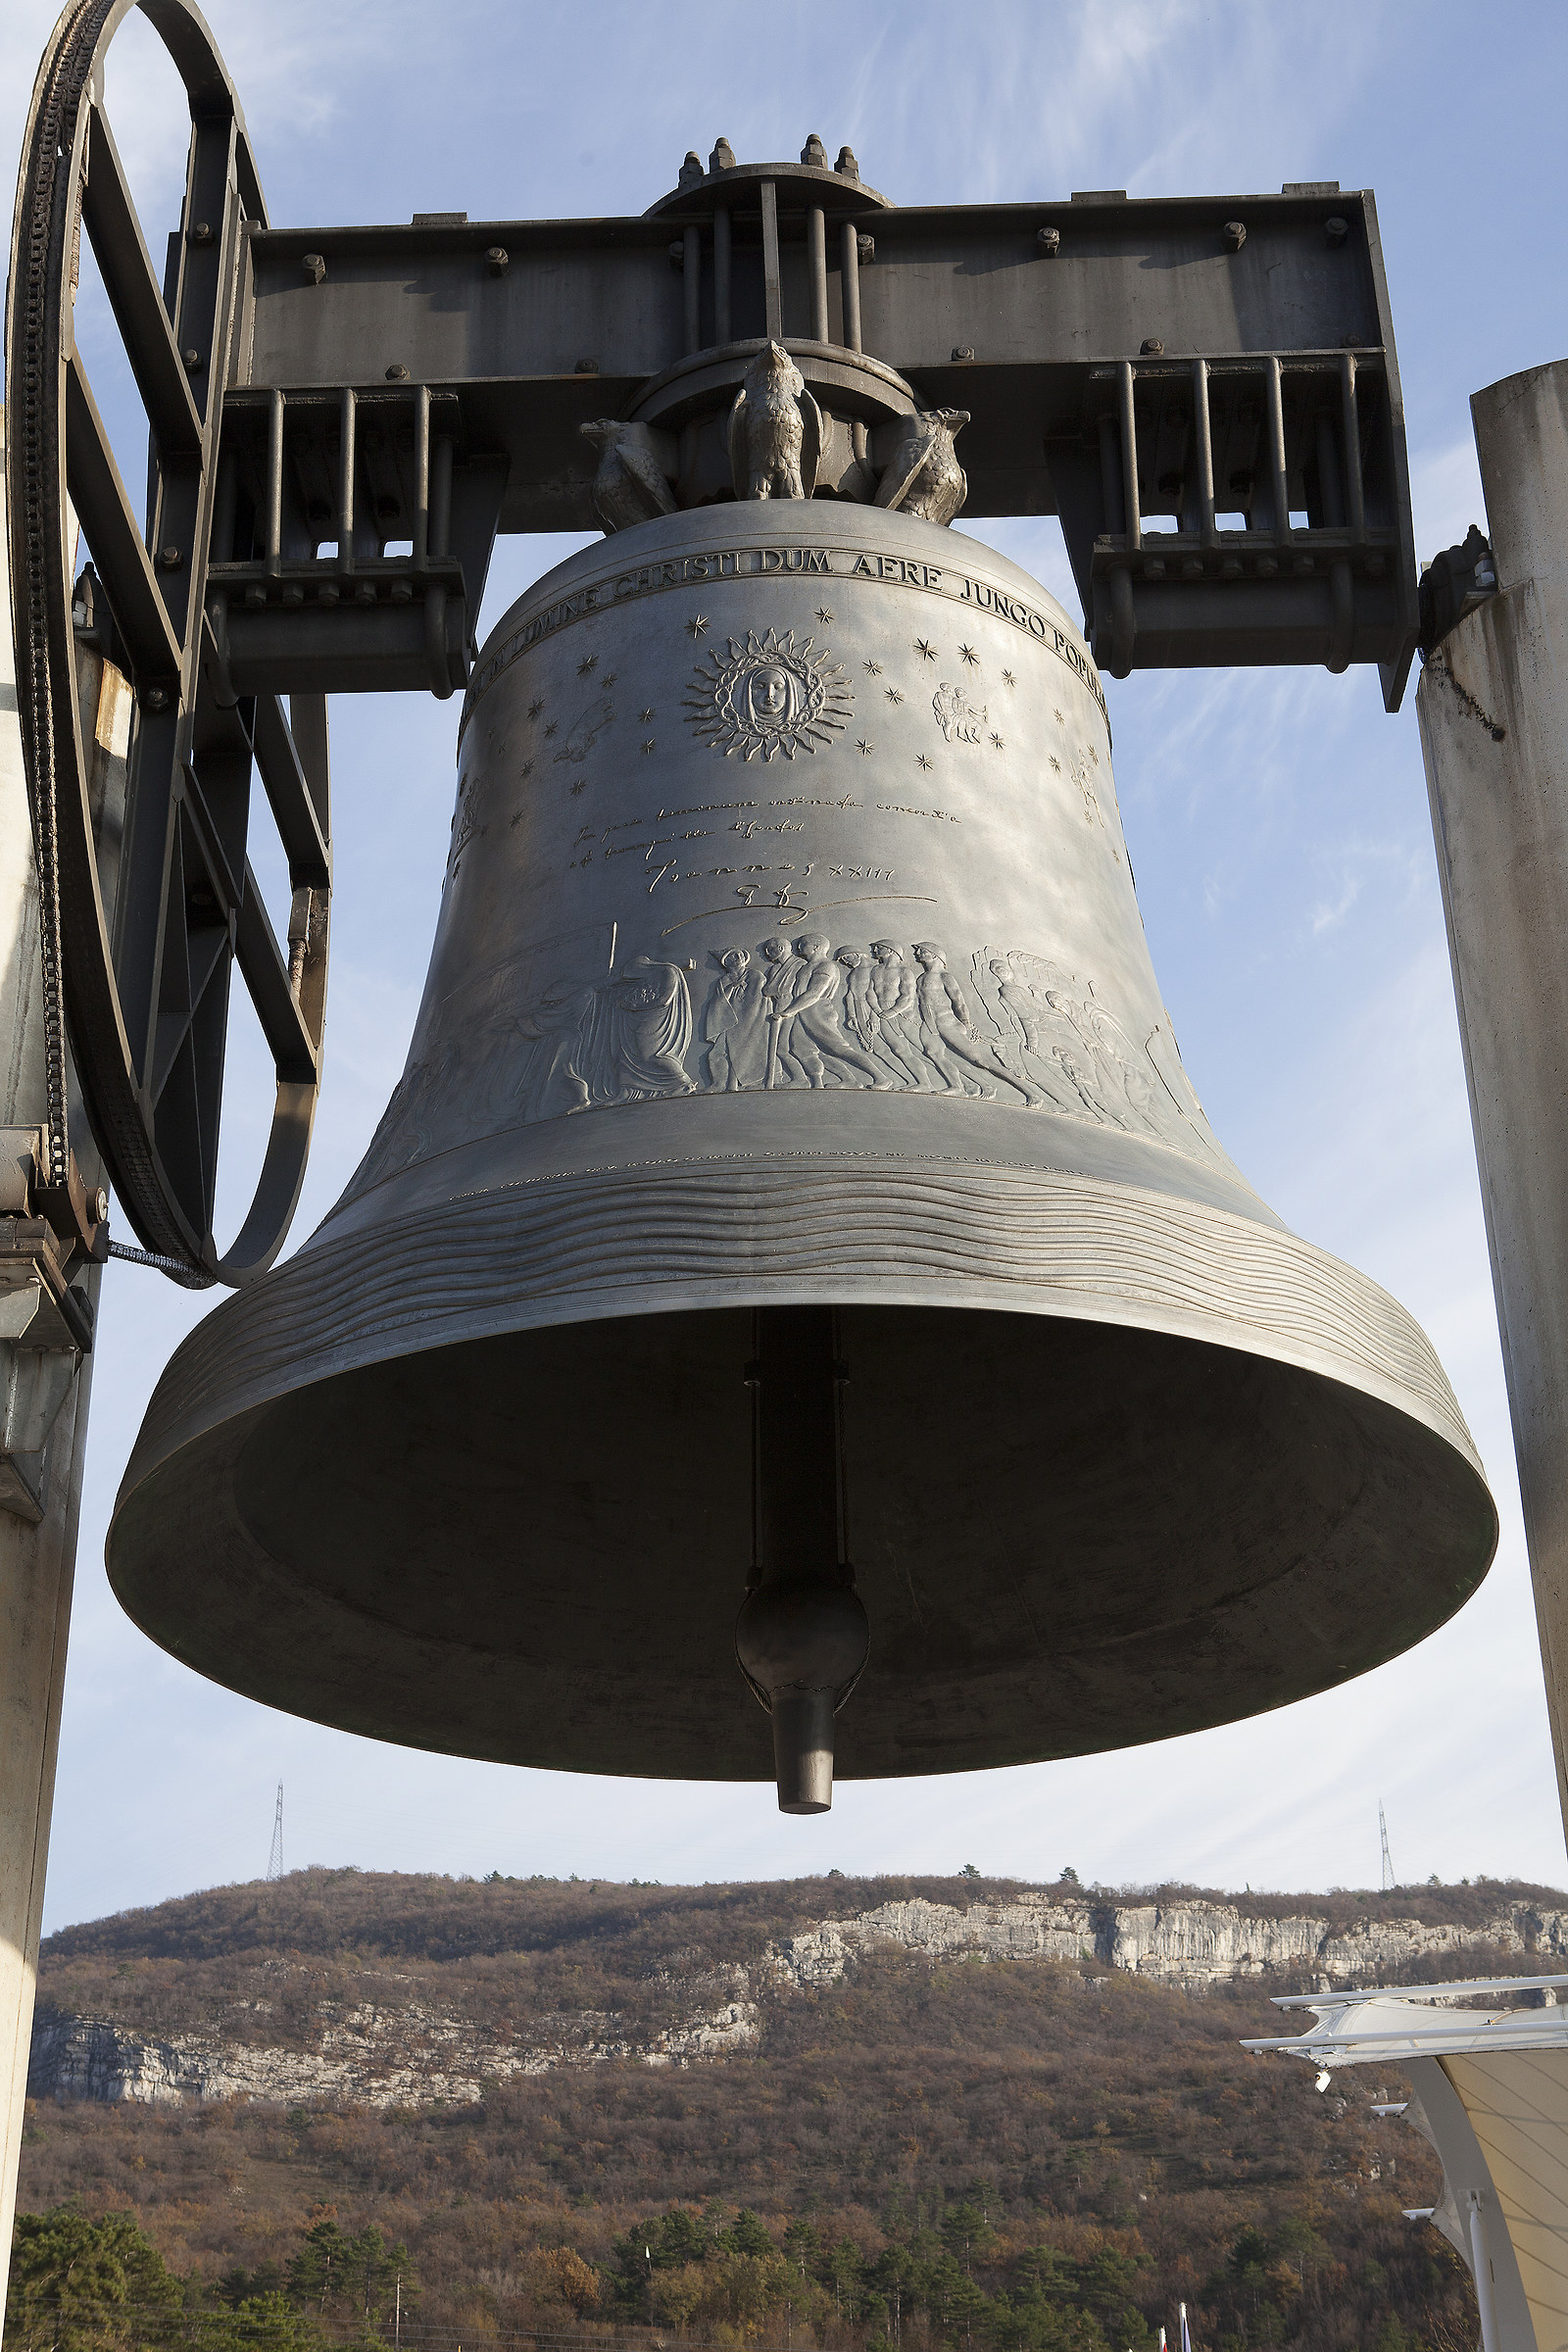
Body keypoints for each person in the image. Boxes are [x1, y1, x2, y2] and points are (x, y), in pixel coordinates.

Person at [912, 943, 1043, 1104]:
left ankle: (1031, 1093)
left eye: (922, 951)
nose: (917, 953)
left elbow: (958, 1002)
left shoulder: (945, 977)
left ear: (935, 955)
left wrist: (966, 1023)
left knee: (981, 1061)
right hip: (929, 1025)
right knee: (933, 1053)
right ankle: (957, 1087)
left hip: (947, 1023)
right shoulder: (921, 978)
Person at [778, 935, 892, 1089]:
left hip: (818, 1011)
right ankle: (835, 1080)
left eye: (803, 944)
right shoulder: (807, 966)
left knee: (838, 1048)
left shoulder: (826, 966)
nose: (799, 948)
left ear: (816, 947)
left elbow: (815, 993)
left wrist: (788, 1012)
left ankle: (881, 1078)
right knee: (801, 1050)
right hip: (802, 1011)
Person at [701, 947, 767, 1090]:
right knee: (717, 1053)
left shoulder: (755, 975)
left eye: (740, 955)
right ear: (726, 962)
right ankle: (719, 1083)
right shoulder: (723, 980)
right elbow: (718, 1002)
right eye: (733, 956)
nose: (738, 957)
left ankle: (750, 1083)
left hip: (750, 1022)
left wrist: (746, 1022)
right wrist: (732, 988)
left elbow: (756, 1000)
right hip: (727, 1022)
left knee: (745, 1052)